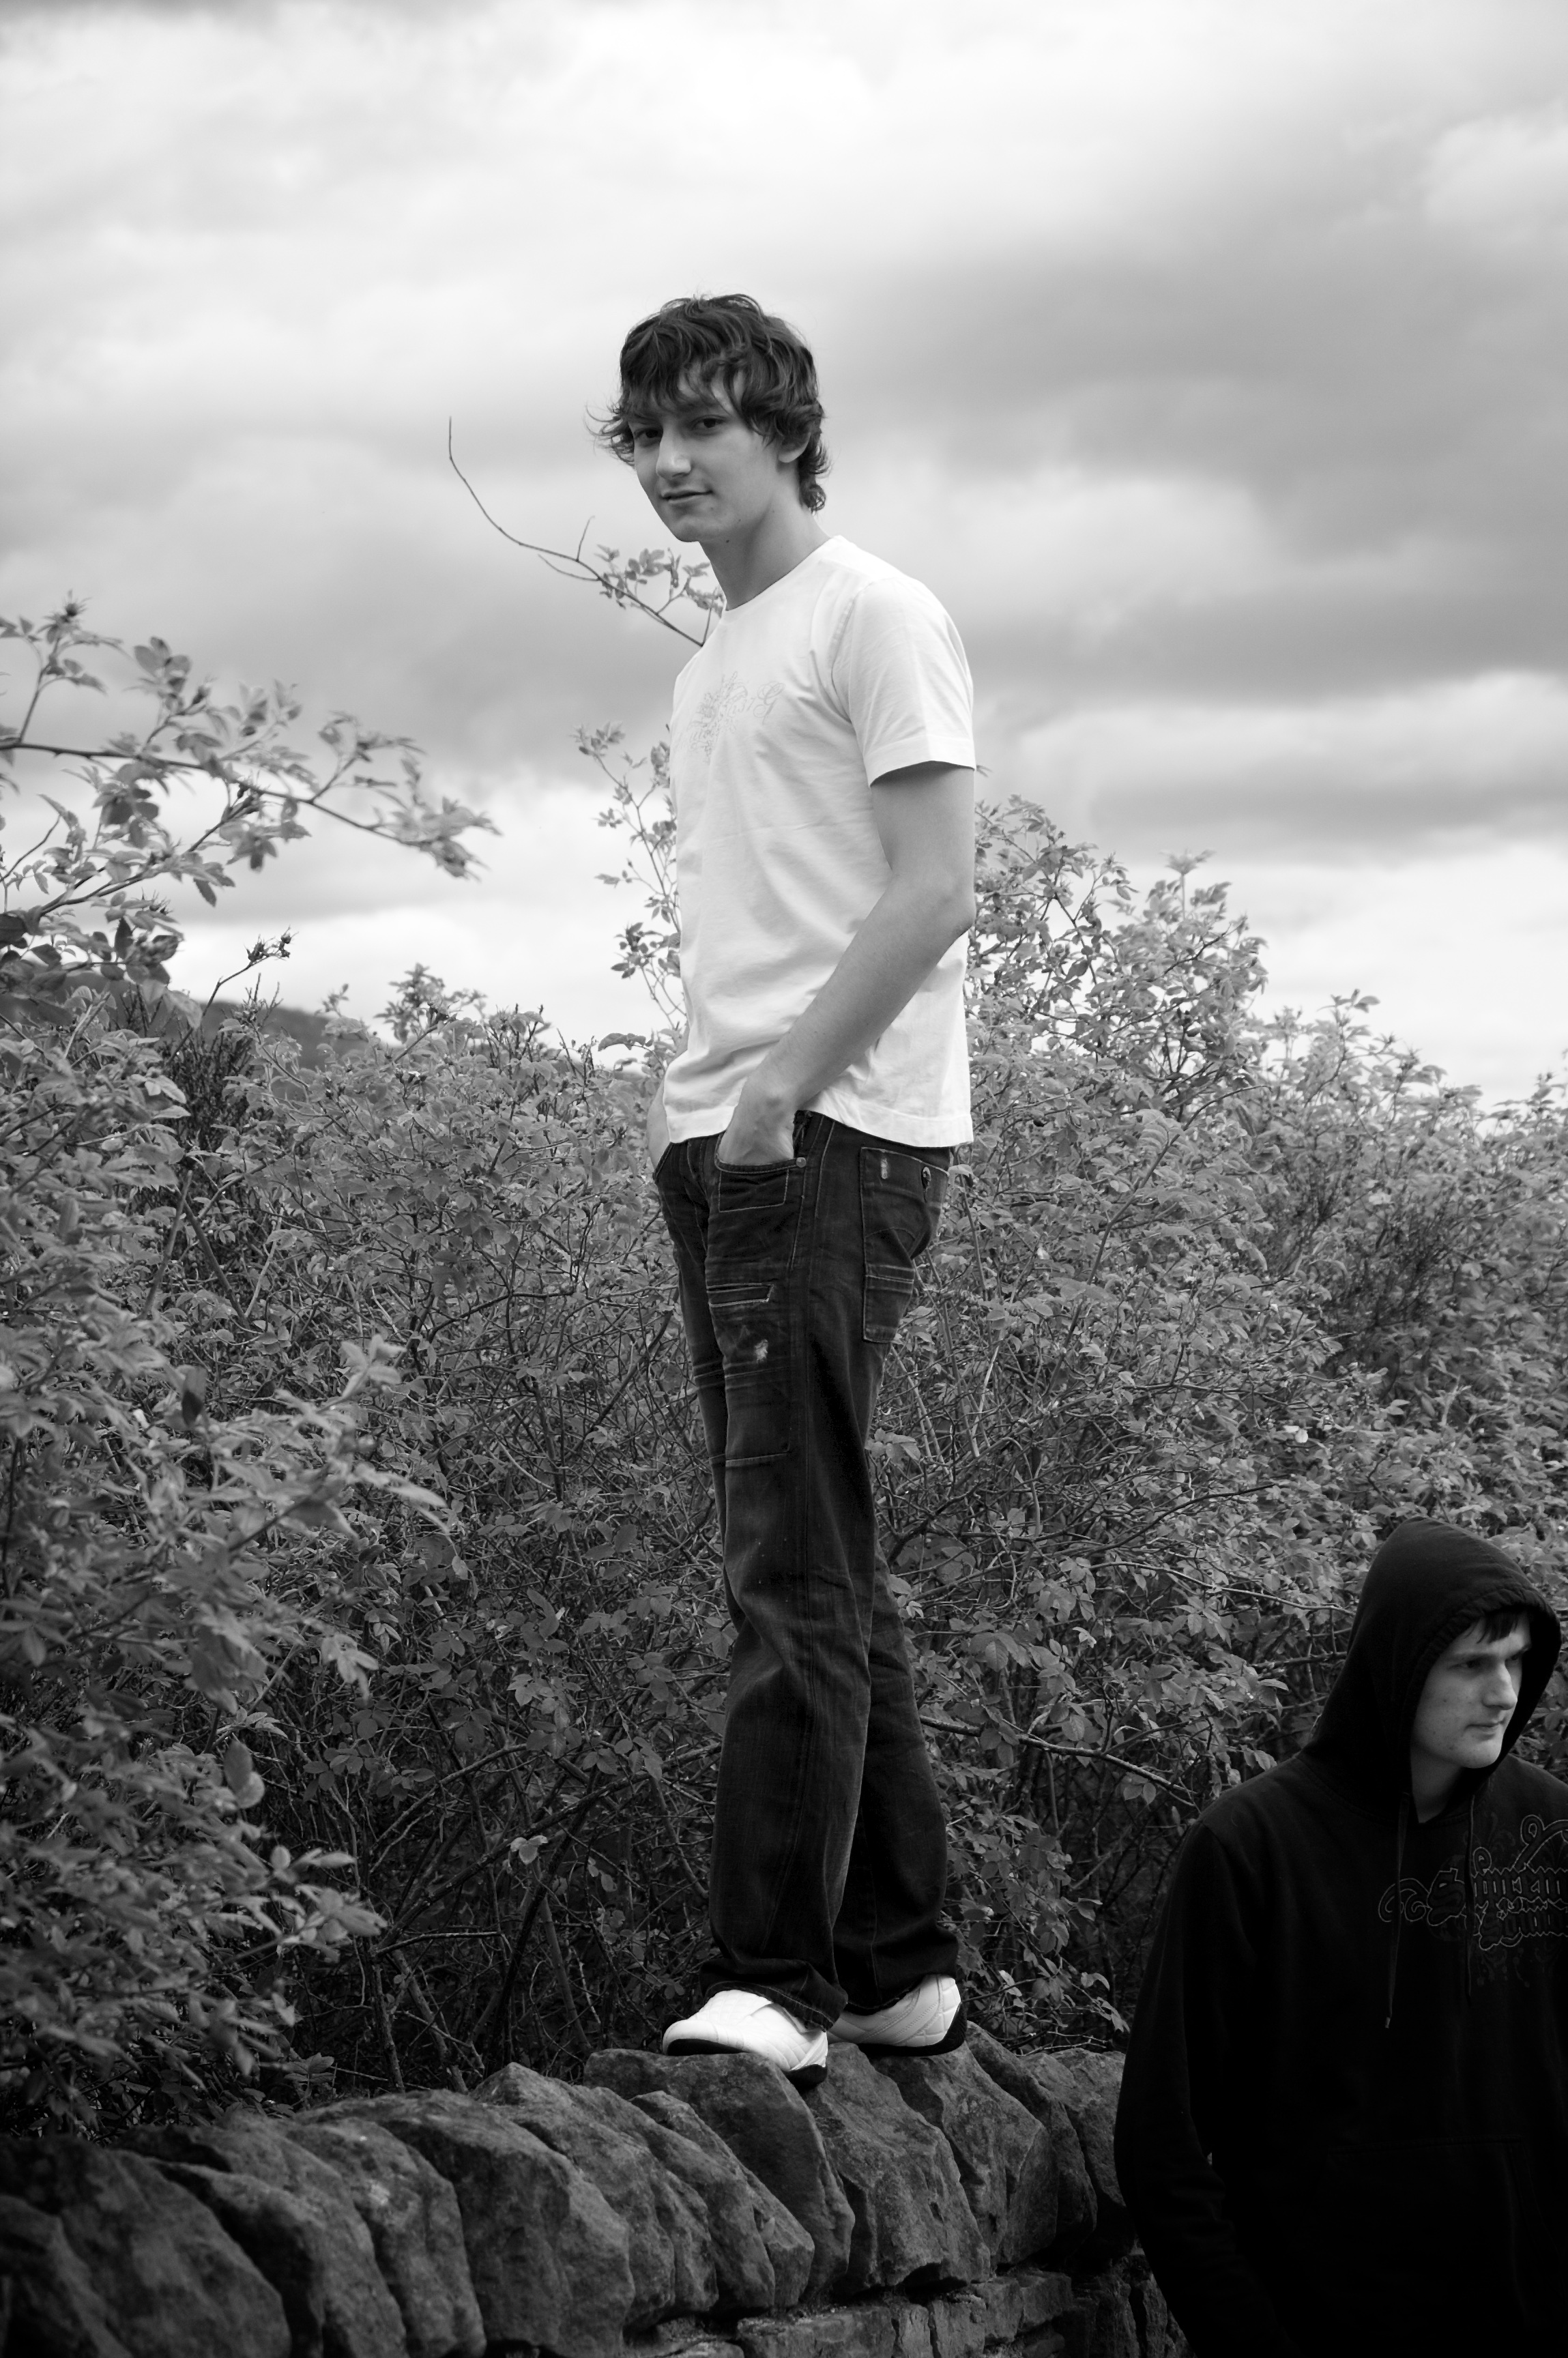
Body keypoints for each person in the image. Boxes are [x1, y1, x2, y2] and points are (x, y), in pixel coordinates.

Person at [596, 293, 976, 2086]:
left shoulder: (874, 613)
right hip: (732, 1136)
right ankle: (898, 1967)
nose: (671, 462)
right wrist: (710, 1112)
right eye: (647, 434)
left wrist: (776, 1097)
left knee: (788, 1566)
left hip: (831, 1133)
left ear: (786, 431)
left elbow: (935, 886)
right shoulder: (712, 663)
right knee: (814, 1546)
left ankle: (774, 1981)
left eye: (706, 426)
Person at [1114, 1519, 1568, 2355]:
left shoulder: (1551, 1830)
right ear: (1398, 1665)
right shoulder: (1251, 1848)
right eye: (1472, 1664)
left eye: (1517, 1660)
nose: (1504, 1692)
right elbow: (1161, 2144)